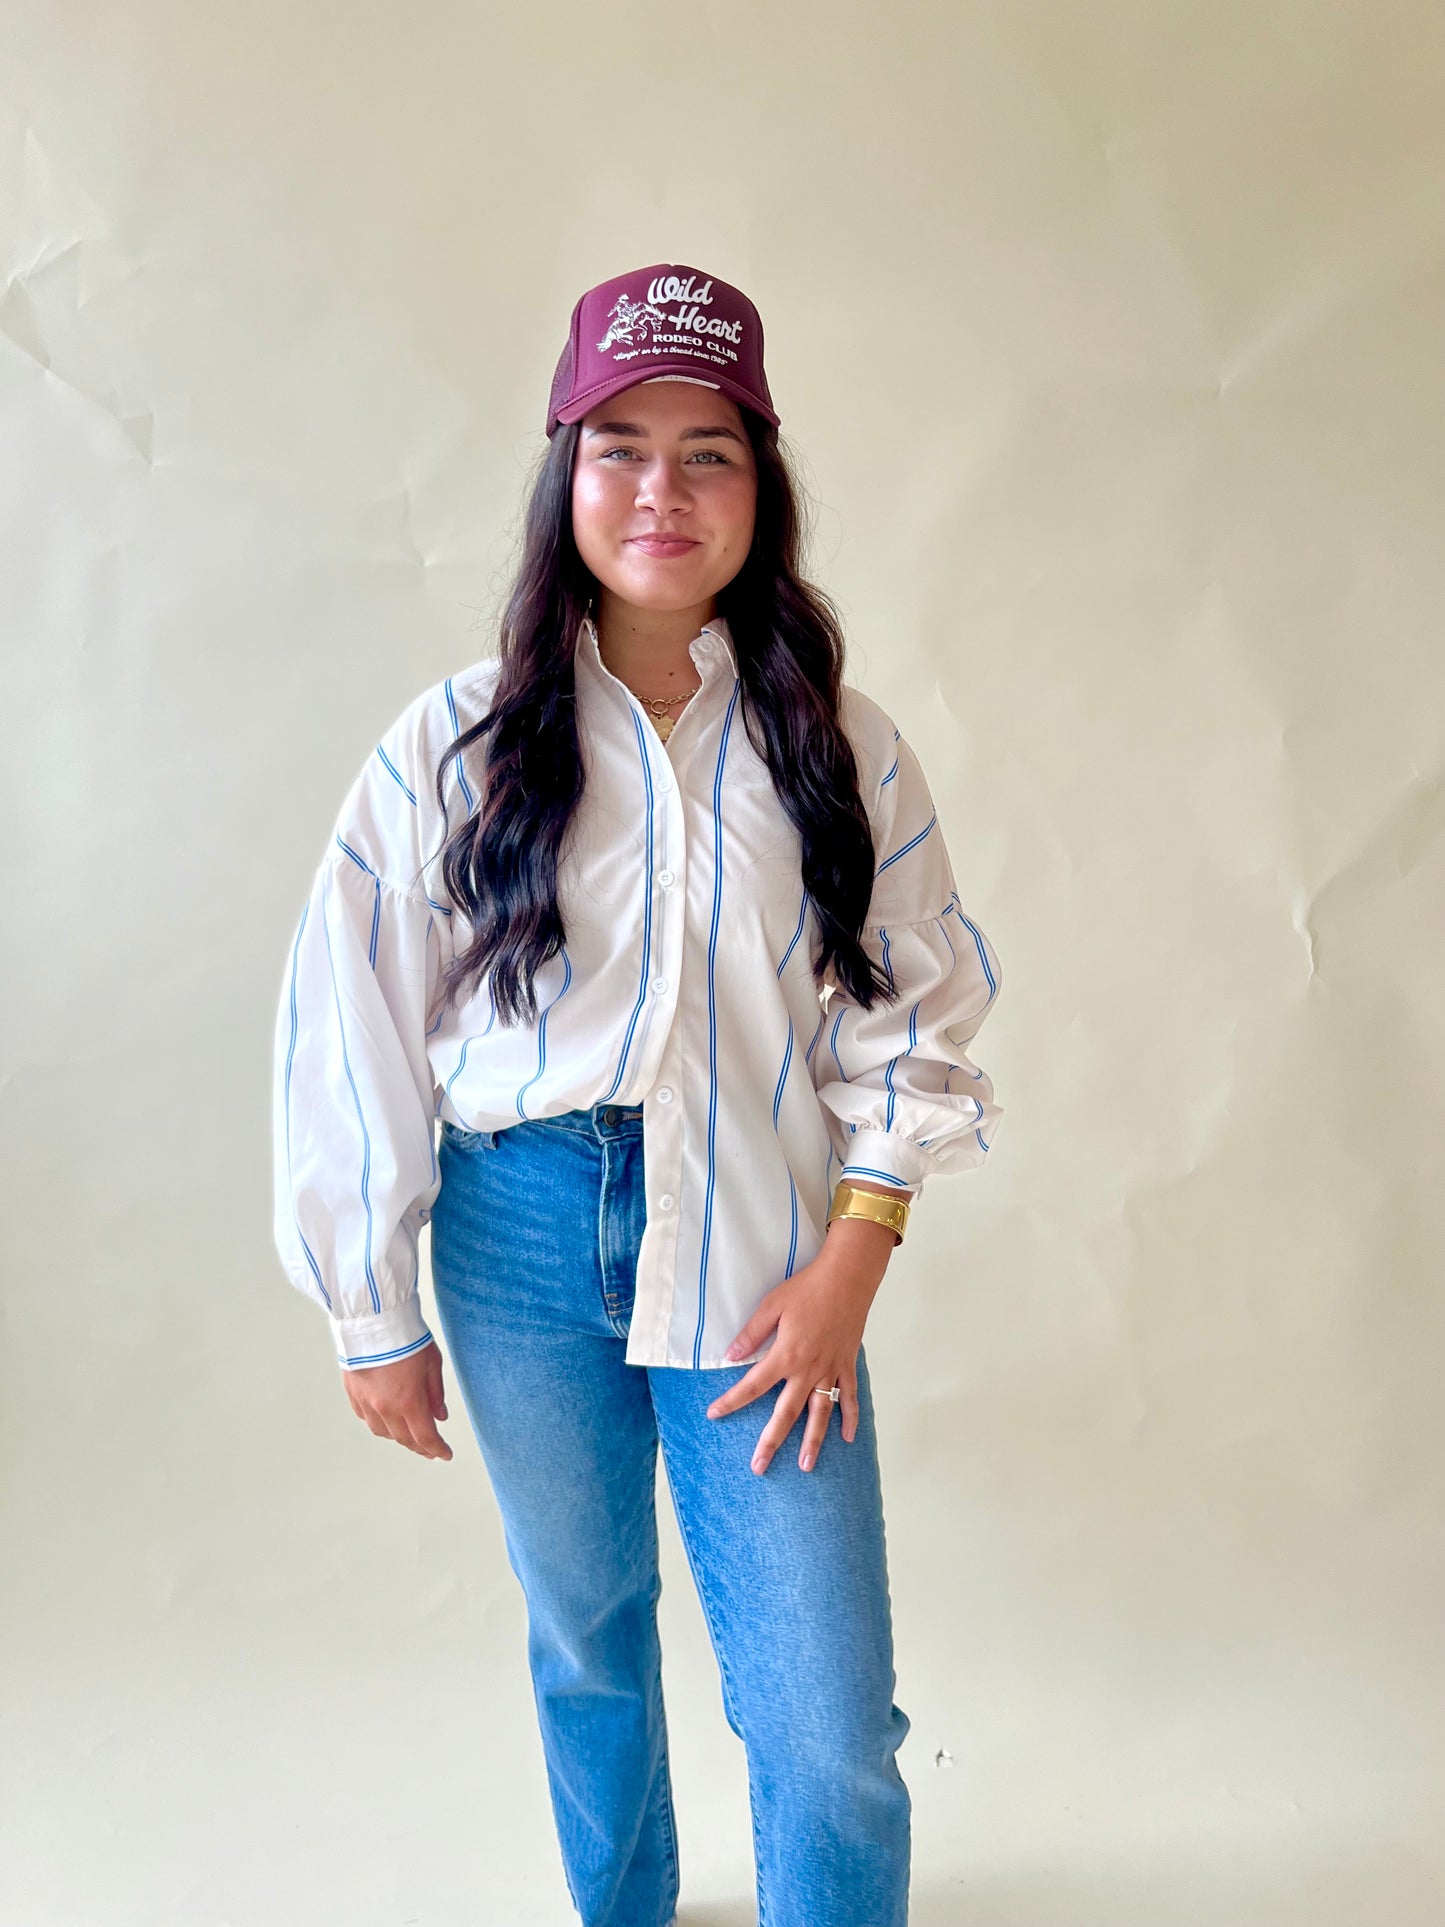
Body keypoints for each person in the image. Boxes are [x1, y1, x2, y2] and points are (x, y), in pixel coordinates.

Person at [272, 260, 1005, 1927]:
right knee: (588, 1636)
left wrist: (854, 1254)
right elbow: (356, 1020)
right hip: (513, 1235)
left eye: (706, 452)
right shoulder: (454, 747)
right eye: (618, 446)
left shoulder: (840, 747)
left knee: (822, 1717)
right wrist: (368, 1306)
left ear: (762, 485)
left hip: (757, 1246)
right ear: (563, 475)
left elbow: (911, 1018)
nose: (660, 490)